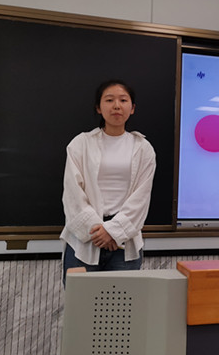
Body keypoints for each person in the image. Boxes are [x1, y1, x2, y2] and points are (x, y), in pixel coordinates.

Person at [60, 79, 156, 285]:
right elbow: (72, 194)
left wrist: (113, 231)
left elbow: (141, 198)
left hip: (124, 242)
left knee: (123, 304)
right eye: (109, 100)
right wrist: (99, 232)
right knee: (80, 302)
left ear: (132, 108)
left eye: (123, 100)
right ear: (98, 107)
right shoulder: (81, 144)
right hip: (84, 241)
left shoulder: (143, 148)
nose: (116, 106)